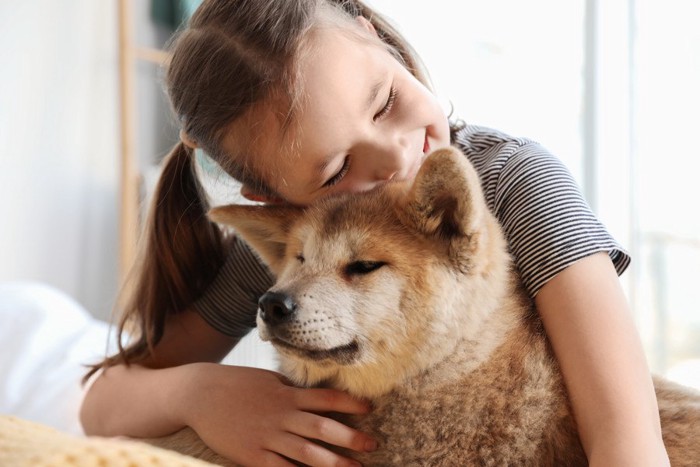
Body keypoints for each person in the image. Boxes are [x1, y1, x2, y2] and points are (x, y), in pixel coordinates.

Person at [80, 1, 670, 466]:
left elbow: (629, 441)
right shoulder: (295, 243)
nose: (395, 156)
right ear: (273, 200)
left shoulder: (518, 181)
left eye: (385, 102)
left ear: (379, 38)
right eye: (337, 170)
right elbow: (104, 402)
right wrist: (198, 394)